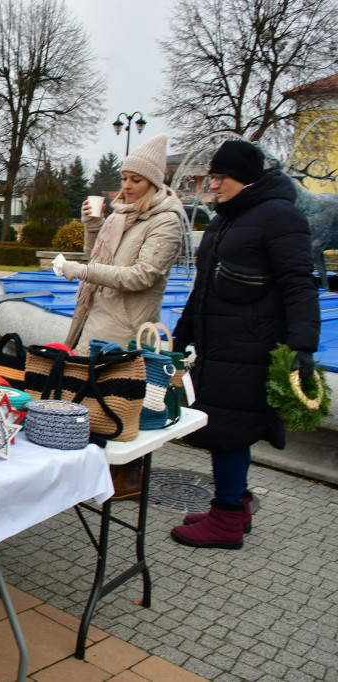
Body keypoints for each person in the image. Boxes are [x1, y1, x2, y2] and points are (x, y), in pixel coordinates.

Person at [170, 139, 320, 549]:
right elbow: (203, 289)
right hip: (222, 347)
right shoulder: (226, 220)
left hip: (249, 349)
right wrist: (182, 337)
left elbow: (299, 285)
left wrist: (302, 347)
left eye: (220, 177)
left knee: (228, 431)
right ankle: (235, 502)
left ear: (245, 179)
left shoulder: (279, 216)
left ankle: (226, 520)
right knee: (229, 427)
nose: (213, 186)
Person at [59, 134, 185, 500]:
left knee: (113, 402)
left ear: (153, 183)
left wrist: (80, 271)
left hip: (125, 326)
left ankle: (120, 481)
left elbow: (141, 276)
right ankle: (88, 479)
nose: (126, 187)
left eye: (136, 180)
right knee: (85, 397)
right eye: (124, 178)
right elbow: (101, 260)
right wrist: (93, 228)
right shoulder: (122, 215)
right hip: (95, 316)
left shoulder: (166, 221)